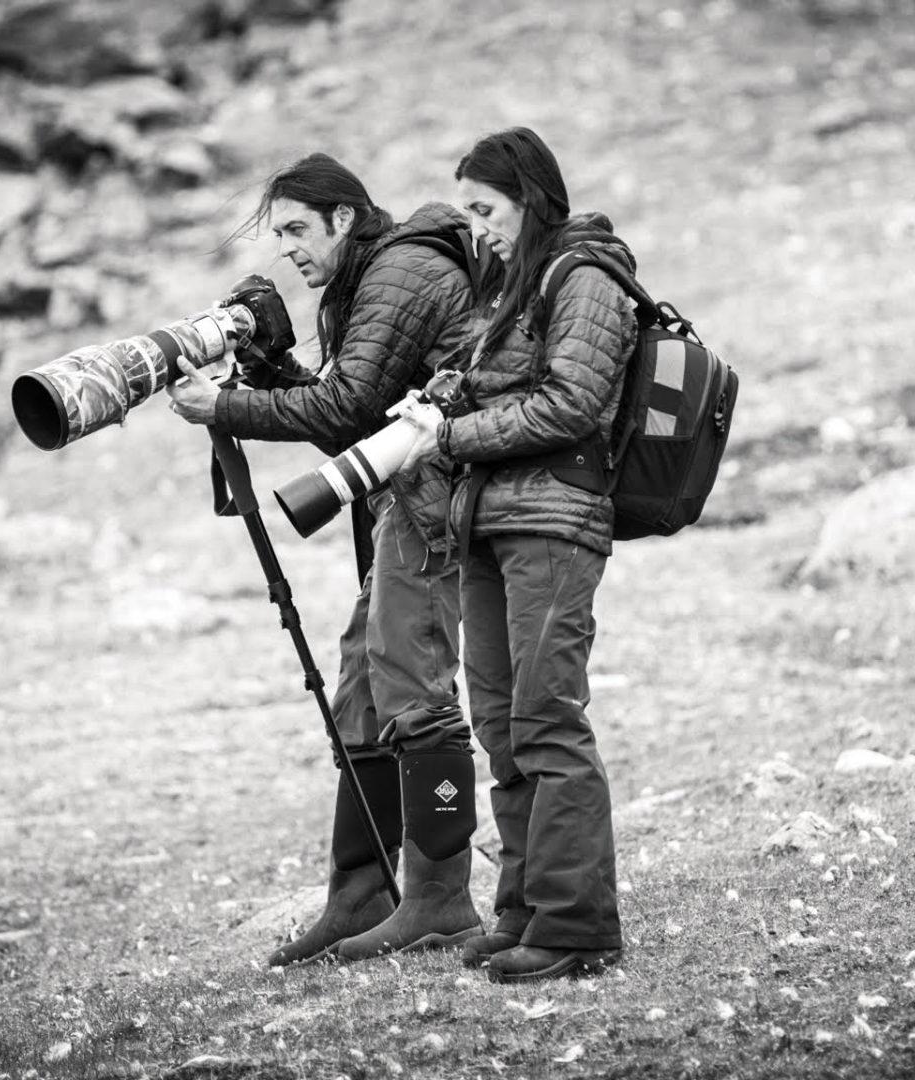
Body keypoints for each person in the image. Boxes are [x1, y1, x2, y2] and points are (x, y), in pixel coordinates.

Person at [166, 153, 486, 965]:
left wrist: (227, 404)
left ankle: (441, 898)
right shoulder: (367, 282)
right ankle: (359, 891)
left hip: (441, 497)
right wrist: (273, 367)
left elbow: (347, 406)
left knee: (410, 681)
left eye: (299, 229)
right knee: (363, 680)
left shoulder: (401, 270)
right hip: (407, 497)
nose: (290, 250)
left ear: (345, 218)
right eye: (279, 236)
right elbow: (358, 423)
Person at [395, 127, 635, 984]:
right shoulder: (516, 288)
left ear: (530, 199)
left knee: (546, 719)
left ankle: (577, 927)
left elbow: (572, 403)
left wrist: (451, 435)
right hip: (492, 527)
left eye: (484, 209)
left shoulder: (586, 277)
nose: (476, 227)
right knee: (501, 727)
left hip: (553, 526)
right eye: (465, 210)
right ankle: (524, 911)